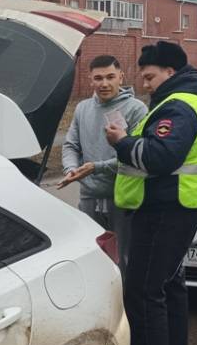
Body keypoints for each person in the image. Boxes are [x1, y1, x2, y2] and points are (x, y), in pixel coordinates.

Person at [76, 41, 197, 345]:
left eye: (150, 77)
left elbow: (159, 156)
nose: (147, 83)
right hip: (174, 206)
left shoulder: (179, 106)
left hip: (165, 209)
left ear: (169, 72)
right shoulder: (188, 100)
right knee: (169, 287)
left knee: (143, 293)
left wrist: (122, 142)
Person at [59, 55, 147, 269]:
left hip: (123, 200)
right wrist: (72, 169)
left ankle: (126, 302)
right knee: (93, 259)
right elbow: (71, 145)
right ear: (90, 79)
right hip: (89, 198)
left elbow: (138, 156)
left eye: (110, 77)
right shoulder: (83, 109)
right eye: (98, 78)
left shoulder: (137, 109)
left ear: (121, 77)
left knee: (125, 261)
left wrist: (95, 167)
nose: (104, 83)